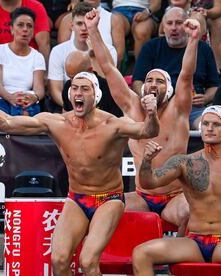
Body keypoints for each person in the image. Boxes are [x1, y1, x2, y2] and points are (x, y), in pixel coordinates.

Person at [0, 70, 160, 275]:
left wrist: (152, 114)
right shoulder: (57, 123)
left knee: (88, 261)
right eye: (75, 88)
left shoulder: (114, 125)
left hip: (109, 199)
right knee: (58, 260)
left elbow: (148, 131)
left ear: (96, 95)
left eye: (85, 89)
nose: (78, 93)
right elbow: (6, 123)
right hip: (76, 198)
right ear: (69, 94)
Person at [87, 7, 200, 236]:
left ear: (169, 89)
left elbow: (186, 74)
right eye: (149, 80)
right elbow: (109, 69)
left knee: (190, 212)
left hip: (173, 196)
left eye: (159, 81)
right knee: (97, 210)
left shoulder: (178, 109)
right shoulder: (131, 107)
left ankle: (174, 262)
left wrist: (193, 40)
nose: (152, 85)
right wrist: (93, 30)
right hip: (141, 196)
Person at [132, 105, 221, 275]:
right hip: (194, 241)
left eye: (216, 125)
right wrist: (146, 161)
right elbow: (149, 182)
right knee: (141, 253)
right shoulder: (184, 162)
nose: (209, 128)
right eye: (205, 123)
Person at [133, 7, 220, 130]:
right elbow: (137, 81)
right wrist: (147, 97)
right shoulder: (150, 47)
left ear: (187, 24)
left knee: (206, 128)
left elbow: (214, 86)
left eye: (179, 23)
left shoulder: (203, 49)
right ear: (163, 26)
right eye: (169, 23)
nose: (174, 28)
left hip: (192, 108)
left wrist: (206, 98)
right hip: (158, 106)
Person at [0, 7, 46, 127]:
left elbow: (39, 88)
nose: (25, 29)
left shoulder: (37, 56)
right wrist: (10, 98)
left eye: (29, 26)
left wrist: (34, 97)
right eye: (20, 25)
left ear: (33, 31)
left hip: (24, 101)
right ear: (12, 29)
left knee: (27, 121)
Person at [48, 2, 117, 109]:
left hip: (101, 107)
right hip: (69, 106)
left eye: (87, 23)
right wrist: (75, 106)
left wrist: (93, 54)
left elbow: (106, 86)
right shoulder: (58, 51)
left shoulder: (109, 50)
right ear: (71, 26)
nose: (84, 28)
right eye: (79, 23)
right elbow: (55, 90)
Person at [0, 0, 50, 64]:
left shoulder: (36, 6)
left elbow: (44, 45)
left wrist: (44, 72)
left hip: (33, 65)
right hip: (2, 67)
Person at [57, 0, 124, 68]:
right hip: (71, 73)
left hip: (103, 73)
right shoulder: (67, 20)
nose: (83, 28)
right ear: (72, 25)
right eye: (79, 23)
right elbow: (62, 55)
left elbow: (118, 56)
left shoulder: (114, 19)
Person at [61, 50, 122, 117]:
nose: (72, 82)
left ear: (89, 70)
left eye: (76, 77)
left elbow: (116, 121)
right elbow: (65, 117)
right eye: (69, 77)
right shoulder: (68, 86)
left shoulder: (109, 89)